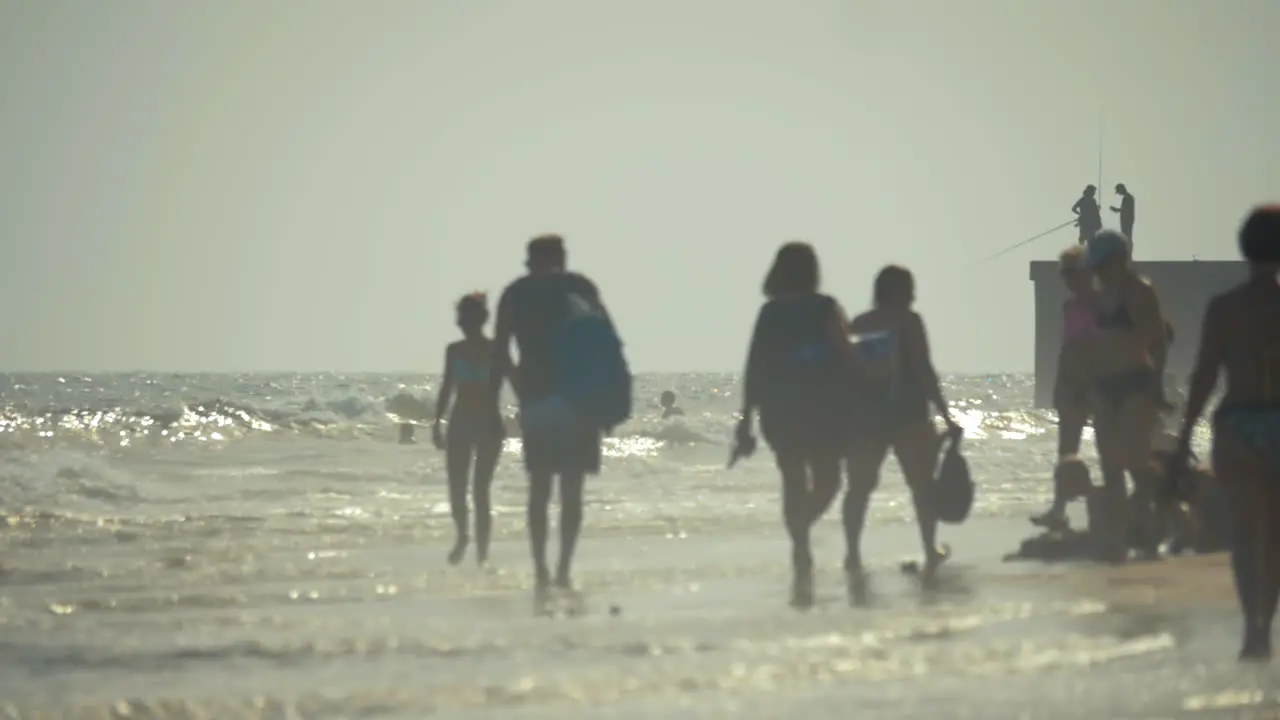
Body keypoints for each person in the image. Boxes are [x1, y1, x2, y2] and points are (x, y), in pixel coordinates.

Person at [1169, 205, 1280, 661]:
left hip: (1237, 425)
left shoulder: (1225, 308)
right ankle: (1265, 629)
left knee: (1245, 532)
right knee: (1274, 536)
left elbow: (1204, 377)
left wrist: (1183, 438)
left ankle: (1250, 627)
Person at [490, 234, 620, 594]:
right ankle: (561, 567)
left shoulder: (515, 293)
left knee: (540, 487)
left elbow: (500, 350)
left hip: (539, 400)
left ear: (530, 259)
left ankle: (543, 569)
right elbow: (607, 337)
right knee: (571, 488)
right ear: (559, 257)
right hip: (580, 400)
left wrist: (519, 390)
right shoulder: (578, 286)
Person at [734, 242, 855, 607]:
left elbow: (754, 367)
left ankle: (800, 544)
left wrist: (746, 418)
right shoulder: (826, 307)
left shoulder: (769, 312)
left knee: (792, 480)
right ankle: (802, 534)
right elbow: (848, 354)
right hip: (823, 408)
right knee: (829, 480)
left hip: (780, 410)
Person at [843, 265, 960, 590]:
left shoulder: (859, 323)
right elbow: (923, 368)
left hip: (867, 418)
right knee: (921, 486)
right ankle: (929, 550)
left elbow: (847, 375)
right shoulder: (909, 321)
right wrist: (946, 415)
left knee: (859, 489)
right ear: (902, 290)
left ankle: (852, 553)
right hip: (908, 415)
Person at [1085, 229, 1168, 562]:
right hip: (1105, 386)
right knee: (1110, 468)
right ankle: (1117, 539)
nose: (1099, 273)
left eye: (1103, 265)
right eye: (1096, 267)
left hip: (1136, 382)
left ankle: (1157, 513)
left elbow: (1158, 342)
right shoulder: (1098, 295)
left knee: (1135, 460)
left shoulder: (1139, 292)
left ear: (1119, 260)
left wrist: (1156, 385)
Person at [432, 293, 504, 566]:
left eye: (463, 317)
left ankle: (483, 554)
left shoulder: (496, 349)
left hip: (488, 421)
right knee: (457, 486)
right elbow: (447, 387)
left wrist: (527, 409)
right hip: (460, 420)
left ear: (475, 319)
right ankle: (463, 536)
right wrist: (437, 421)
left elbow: (514, 378)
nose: (459, 322)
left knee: (480, 489)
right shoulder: (454, 350)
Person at [1033, 245, 1099, 529]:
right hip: (1071, 383)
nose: (1068, 280)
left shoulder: (1102, 303)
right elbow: (1068, 347)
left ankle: (1112, 505)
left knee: (1112, 449)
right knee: (1066, 450)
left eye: (1072, 273)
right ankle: (1059, 509)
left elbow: (1100, 347)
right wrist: (1060, 384)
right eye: (1065, 275)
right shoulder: (1070, 306)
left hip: (1097, 383)